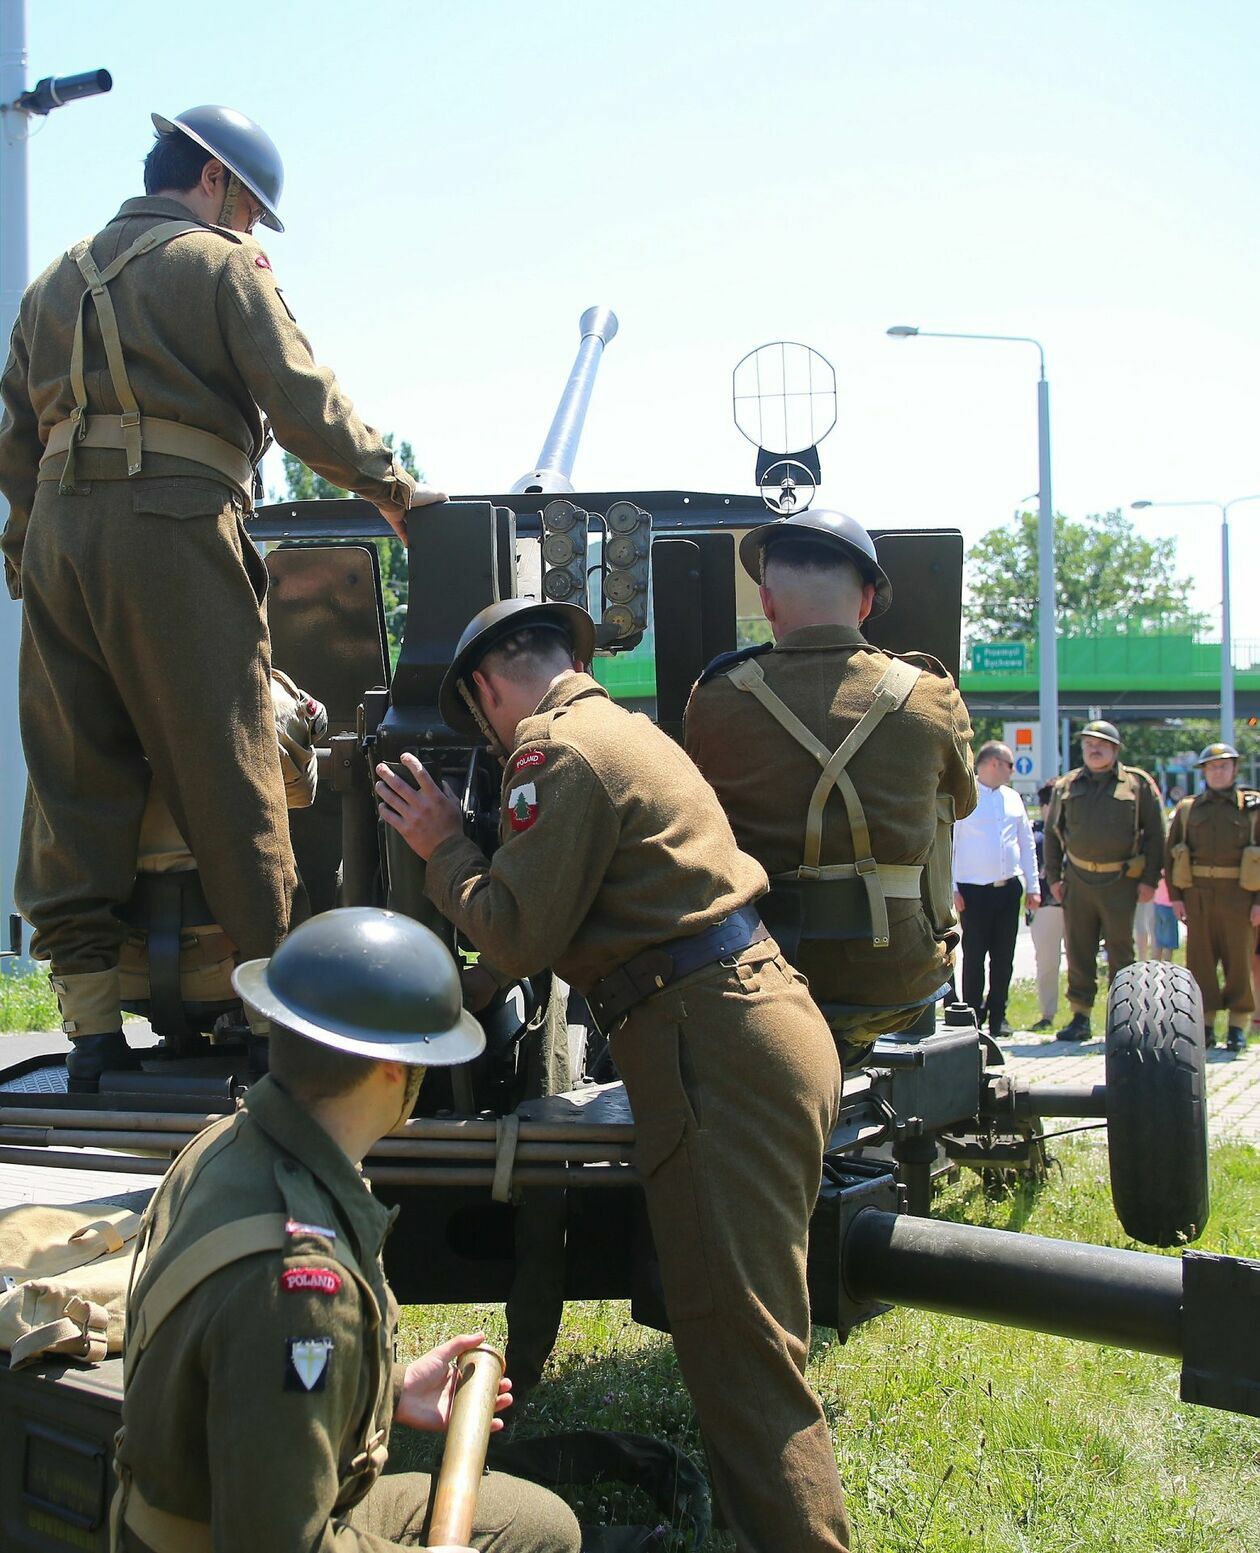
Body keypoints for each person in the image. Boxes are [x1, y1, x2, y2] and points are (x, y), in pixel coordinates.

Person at [375, 599, 852, 1553]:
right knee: (746, 1333)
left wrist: (443, 847)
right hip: (748, 1028)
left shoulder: (554, 752)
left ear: (485, 687)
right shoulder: (622, 729)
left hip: (713, 1047)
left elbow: (516, 928)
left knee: (742, 1346)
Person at [0, 105, 443, 1091]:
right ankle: (261, 1016)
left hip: (62, 540)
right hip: (175, 525)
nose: (249, 227)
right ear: (215, 180)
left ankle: (90, 1030)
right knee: (232, 757)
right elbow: (302, 396)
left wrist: (28, 551)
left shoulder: (52, 280)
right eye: (248, 207)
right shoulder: (218, 265)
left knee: (74, 770)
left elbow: (15, 436)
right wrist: (394, 489)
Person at [113, 906, 581, 1553]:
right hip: (232, 1535)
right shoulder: (304, 1286)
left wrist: (383, 1389)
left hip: (207, 1503)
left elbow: (232, 1377)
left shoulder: (225, 1145)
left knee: (538, 1523)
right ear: (396, 1071)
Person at [681, 509, 976, 1063]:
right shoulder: (930, 694)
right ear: (866, 602)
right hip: (896, 976)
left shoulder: (715, 698)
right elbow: (959, 804)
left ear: (767, 604)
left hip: (760, 975)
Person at [1043, 720, 1165, 1041]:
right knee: (1079, 950)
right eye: (1087, 744)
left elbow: (1155, 835)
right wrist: (1054, 877)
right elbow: (1052, 835)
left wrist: (1150, 880)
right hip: (1077, 881)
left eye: (1101, 744)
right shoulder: (1066, 786)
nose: (1093, 750)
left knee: (1121, 951)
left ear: (1115, 749)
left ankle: (1124, 1019)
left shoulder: (1137, 785)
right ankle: (1080, 1017)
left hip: (1121, 881)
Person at [1165, 742, 1260, 1052]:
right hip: (1198, 896)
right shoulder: (1189, 809)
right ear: (1203, 771)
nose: (1219, 771)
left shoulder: (1253, 810)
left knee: (1239, 962)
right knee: (1200, 963)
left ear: (1235, 769)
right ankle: (1203, 1025)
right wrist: (1177, 897)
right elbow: (1172, 854)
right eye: (1213, 766)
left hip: (1240, 897)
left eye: (1225, 765)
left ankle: (1238, 1025)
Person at [951, 742, 1039, 1039]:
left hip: (1008, 888)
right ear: (991, 764)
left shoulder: (1013, 798)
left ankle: (999, 1014)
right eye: (1009, 764)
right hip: (973, 890)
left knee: (1004, 956)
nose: (1012, 771)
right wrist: (952, 888)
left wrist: (1033, 886)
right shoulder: (966, 796)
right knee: (974, 955)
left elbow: (1026, 843)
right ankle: (972, 1014)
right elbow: (950, 844)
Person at [1028, 779, 1064, 1031]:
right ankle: (1048, 1013)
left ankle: (1079, 1014)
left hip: (1075, 905)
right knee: (1047, 963)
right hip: (1045, 906)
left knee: (1081, 962)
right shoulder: (1035, 834)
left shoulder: (1076, 831)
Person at [1151, 873, 1179, 963]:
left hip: (1157, 904)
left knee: (1158, 940)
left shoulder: (1159, 869)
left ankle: (1155, 965)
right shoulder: (1171, 870)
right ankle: (1167, 966)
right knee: (1169, 943)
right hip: (1169, 906)